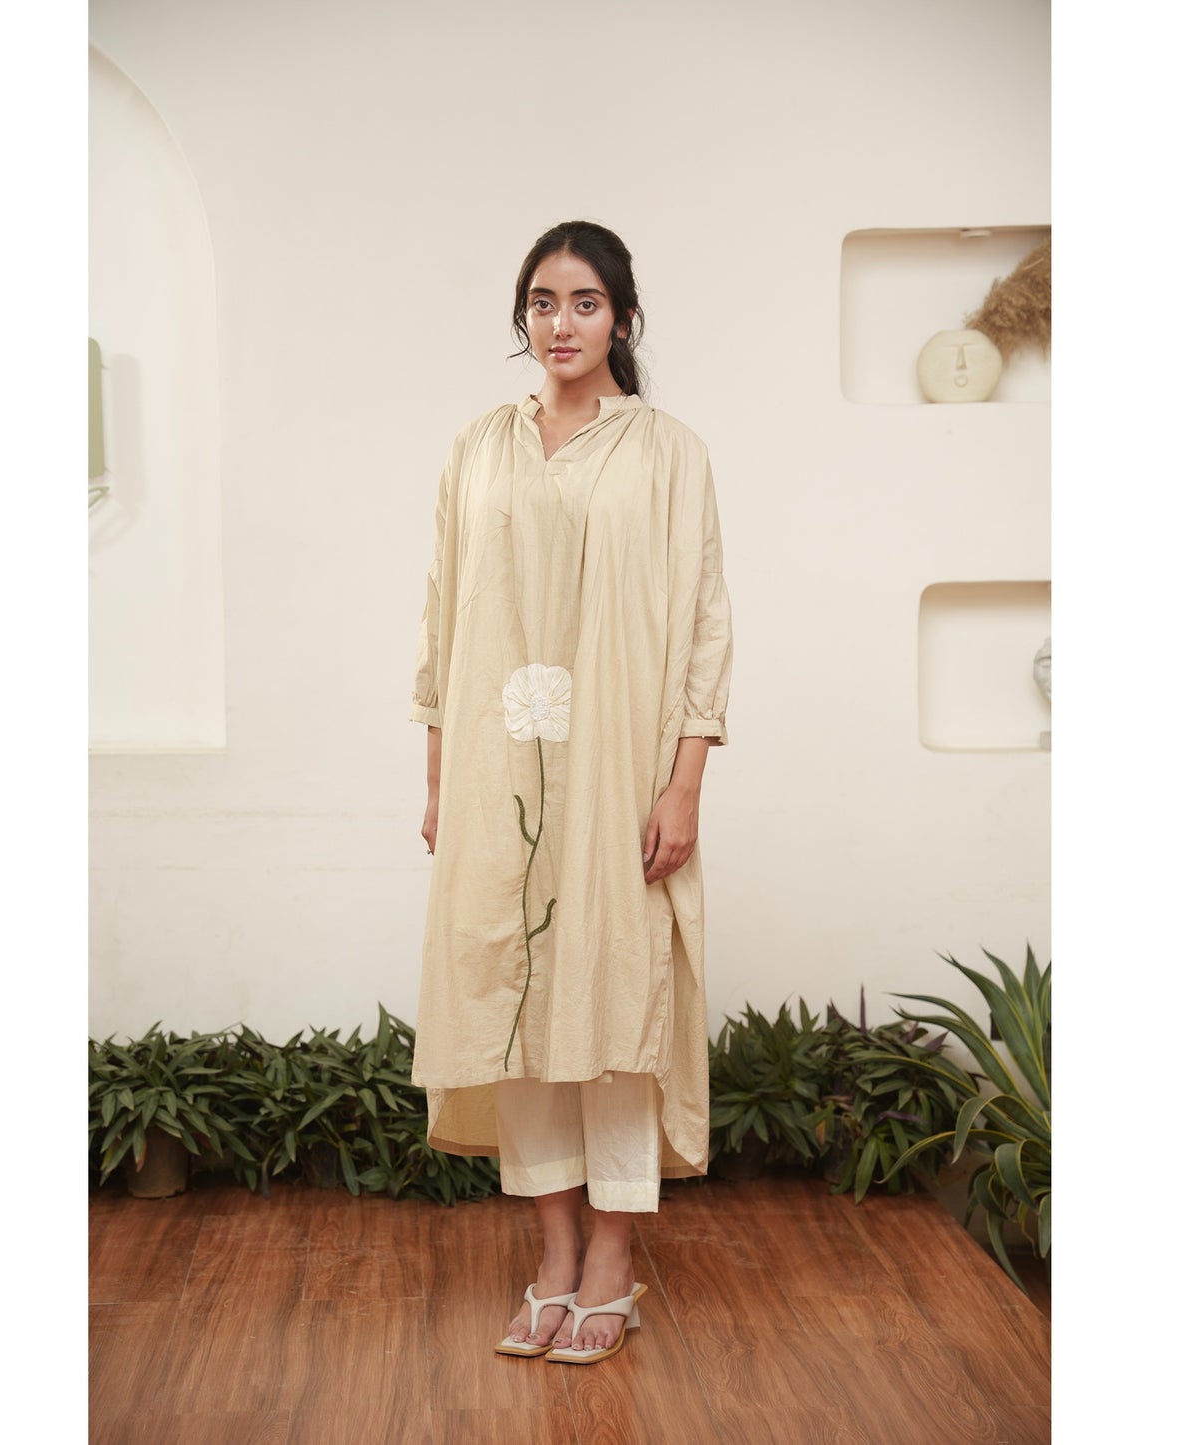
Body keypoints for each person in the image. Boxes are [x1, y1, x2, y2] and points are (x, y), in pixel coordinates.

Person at [409, 220, 732, 1365]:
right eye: (542, 302)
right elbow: (445, 613)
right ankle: (552, 1253)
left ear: (622, 319)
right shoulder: (478, 446)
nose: (560, 322)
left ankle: (611, 1260)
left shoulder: (667, 452)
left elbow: (704, 623)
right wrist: (441, 779)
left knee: (611, 1000)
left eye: (584, 302)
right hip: (497, 769)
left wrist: (682, 785)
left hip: (616, 768)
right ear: (523, 317)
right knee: (519, 999)